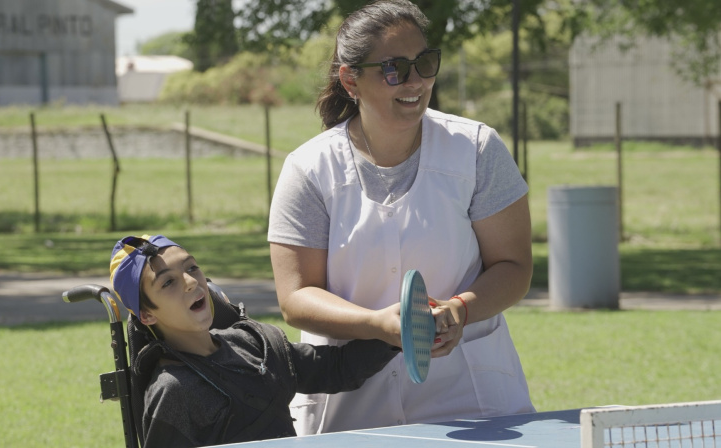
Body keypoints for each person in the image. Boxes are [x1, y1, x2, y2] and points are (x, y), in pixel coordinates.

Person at [268, 0, 535, 435]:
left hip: (472, 402)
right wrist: (375, 325)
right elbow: (295, 296)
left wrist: (459, 310)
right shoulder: (309, 169)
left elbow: (514, 266)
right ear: (350, 80)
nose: (415, 81)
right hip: (350, 407)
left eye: (424, 63)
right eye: (394, 68)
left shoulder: (476, 149)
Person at [109, 234, 400, 448]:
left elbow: (334, 369)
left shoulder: (253, 344)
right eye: (168, 282)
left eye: (192, 267)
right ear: (147, 315)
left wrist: (393, 334)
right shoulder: (173, 391)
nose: (191, 282)